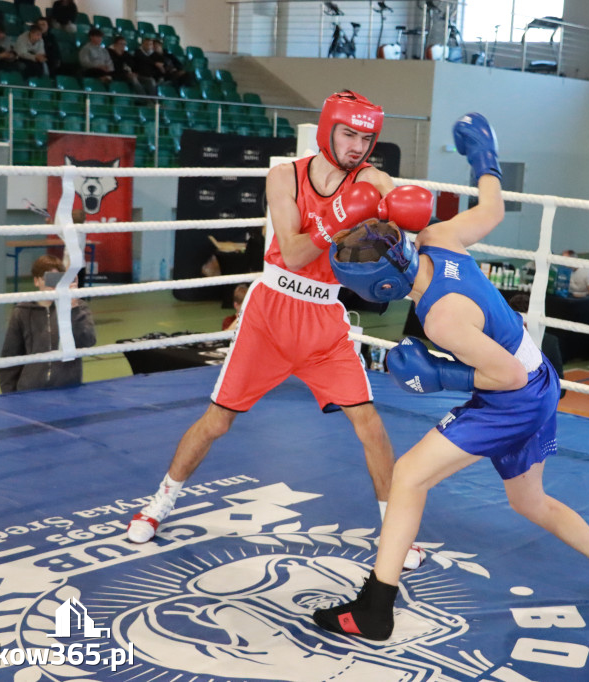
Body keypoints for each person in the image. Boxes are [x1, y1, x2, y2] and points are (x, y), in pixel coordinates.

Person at [314, 112, 589, 641]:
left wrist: (439, 376)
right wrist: (484, 161)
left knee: (408, 476)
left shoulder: (443, 317)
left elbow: (507, 377)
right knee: (529, 501)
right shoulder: (438, 237)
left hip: (517, 392)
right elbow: (493, 207)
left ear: (378, 290)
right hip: (541, 378)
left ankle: (375, 609)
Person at [123, 91, 435, 572]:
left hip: (325, 321)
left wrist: (408, 232)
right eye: (349, 134)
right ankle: (159, 502)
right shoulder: (284, 174)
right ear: (328, 129)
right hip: (270, 313)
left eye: (367, 138)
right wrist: (338, 219)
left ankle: (394, 530)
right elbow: (292, 253)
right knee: (217, 421)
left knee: (369, 425)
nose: (357, 146)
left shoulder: (374, 180)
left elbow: (397, 235)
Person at [0, 255, 96, 393]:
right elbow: (10, 357)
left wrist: (73, 309)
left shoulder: (78, 307)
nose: (52, 284)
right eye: (47, 278)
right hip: (30, 392)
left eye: (56, 279)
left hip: (68, 390)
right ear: (36, 281)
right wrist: (9, 396)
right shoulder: (22, 312)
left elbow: (88, 341)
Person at [508, 292, 565, 398]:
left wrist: (537, 394)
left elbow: (561, 388)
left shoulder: (549, 342)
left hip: (535, 400)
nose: (523, 325)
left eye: (526, 320)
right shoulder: (500, 339)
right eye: (519, 320)